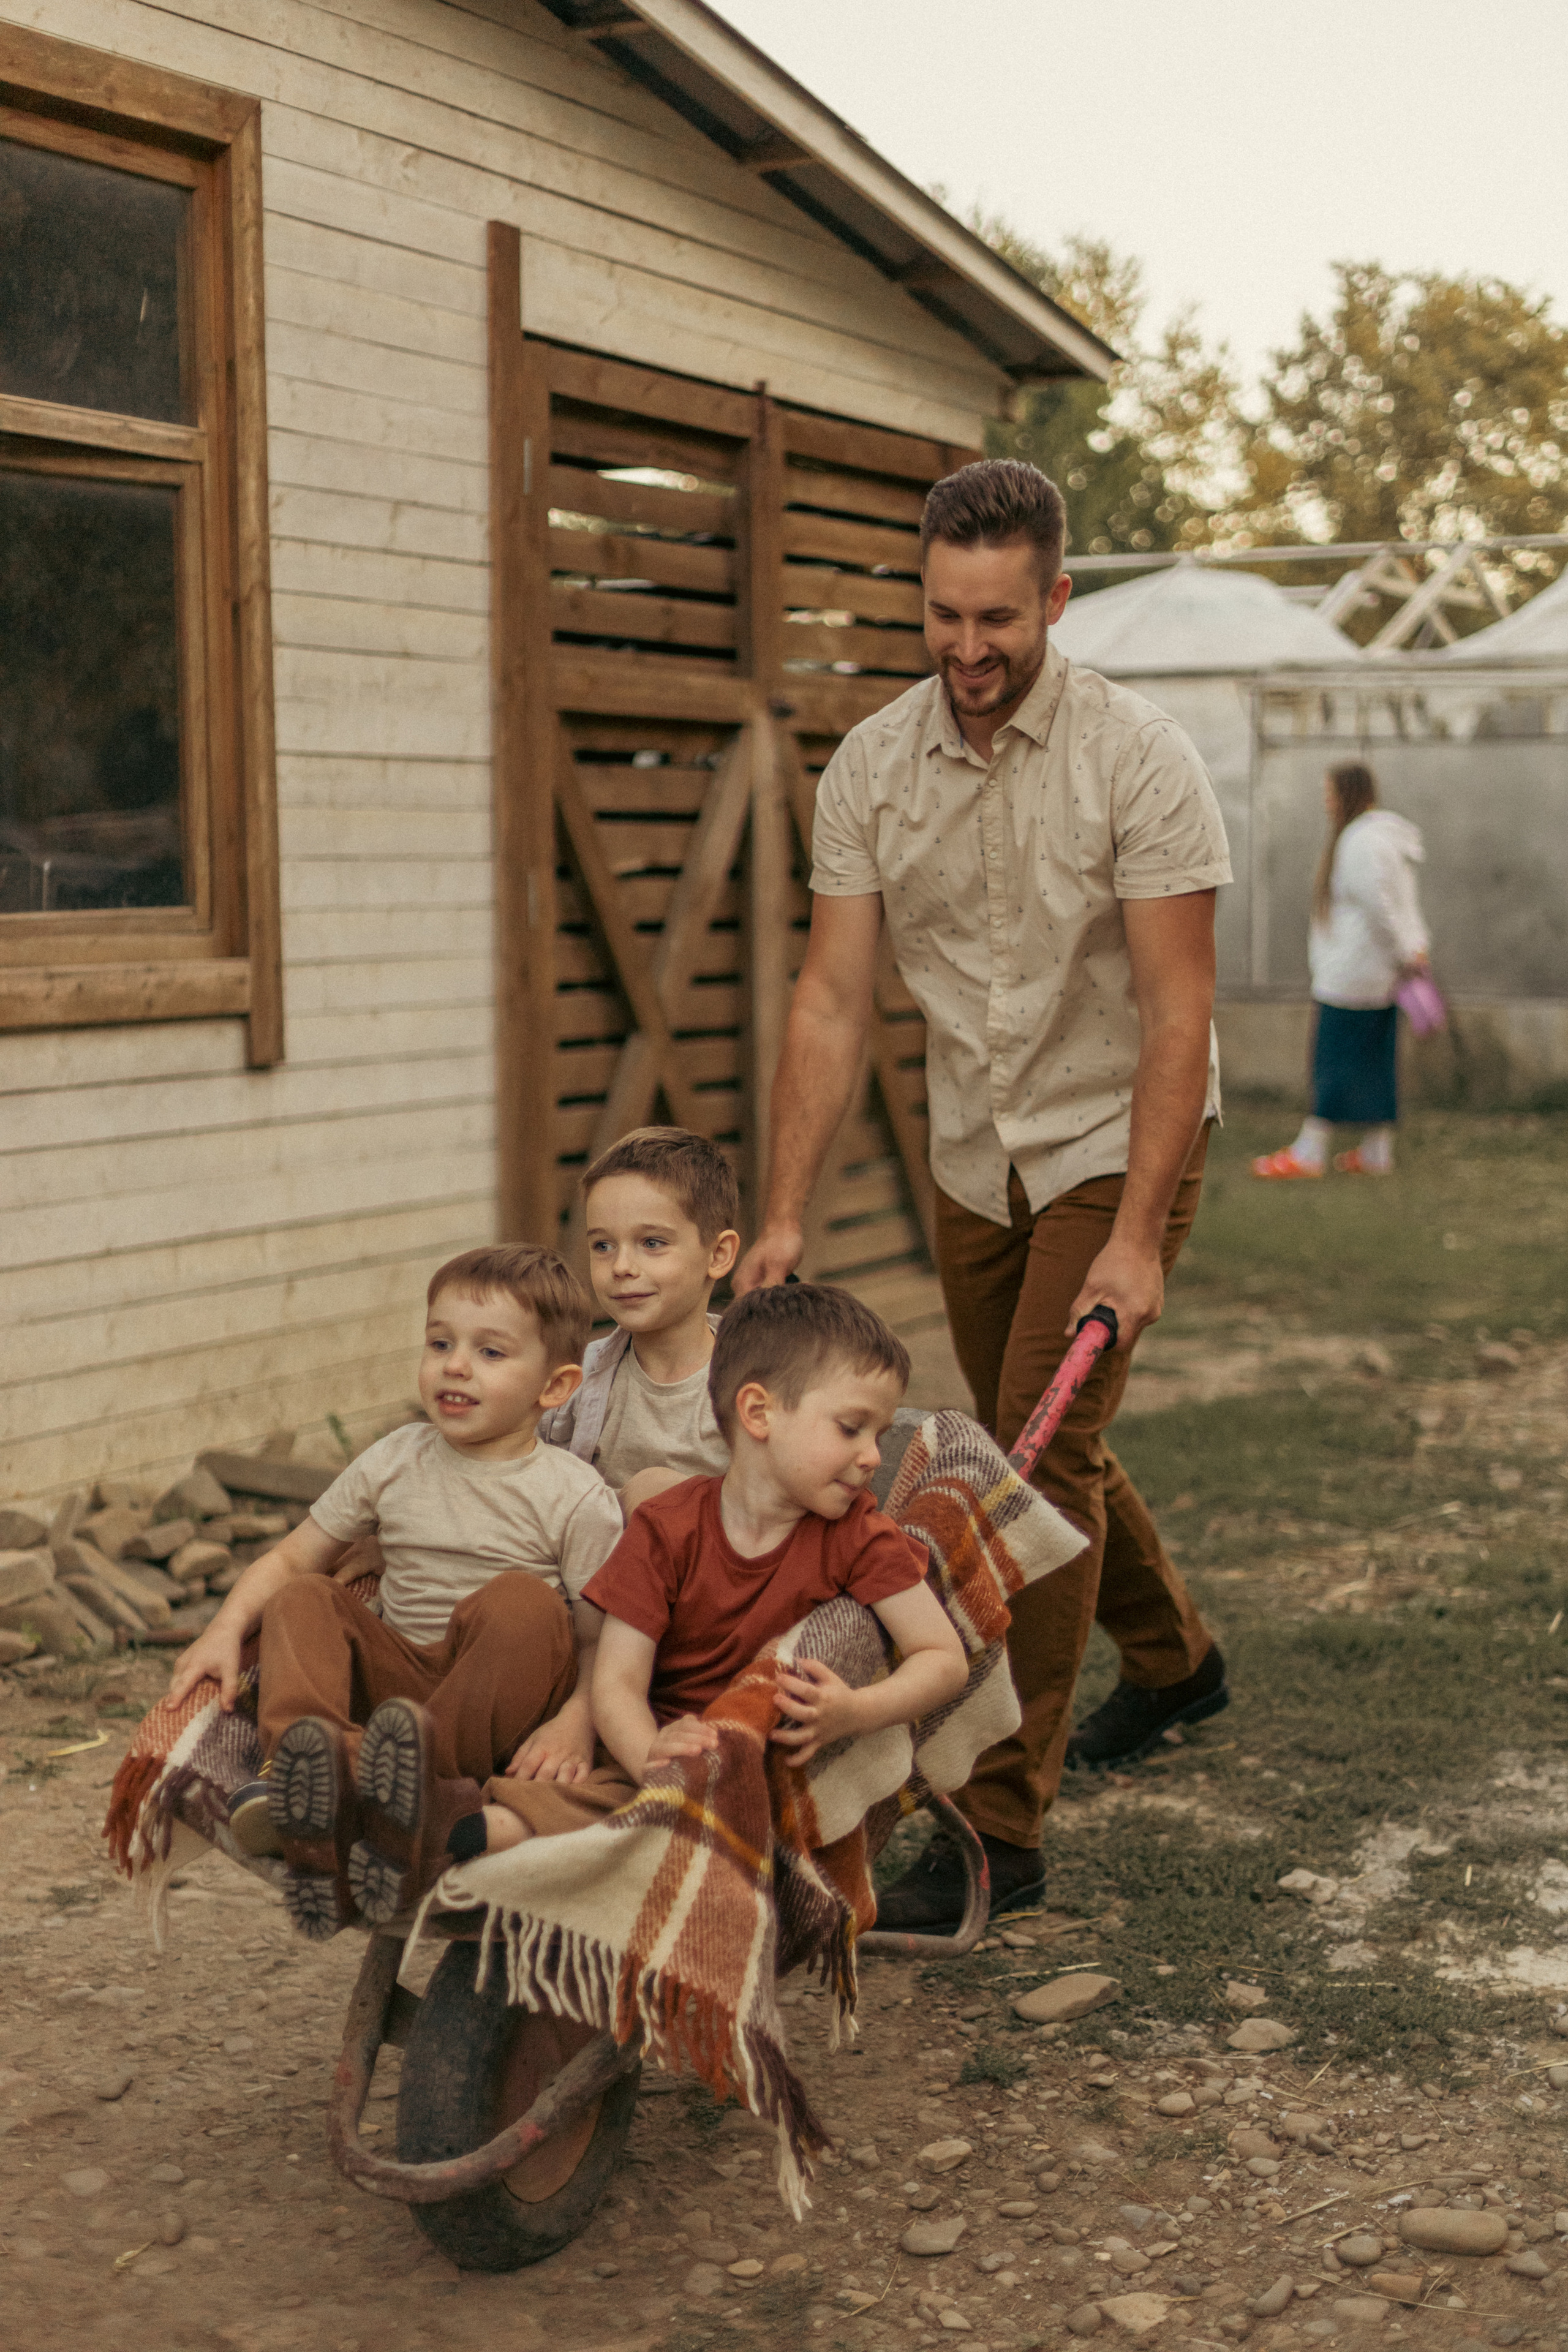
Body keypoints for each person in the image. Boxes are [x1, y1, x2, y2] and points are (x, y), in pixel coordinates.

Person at [733, 457, 1235, 1936]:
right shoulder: (872, 768)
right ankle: (1178, 1663)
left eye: (998, 619)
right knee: (1041, 1429)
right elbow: (829, 1000)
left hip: (1111, 1134)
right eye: (942, 616)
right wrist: (777, 1214)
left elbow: (1173, 1013)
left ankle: (997, 1829)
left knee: (1027, 1459)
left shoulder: (1138, 760)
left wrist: (1135, 1235)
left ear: (1055, 600)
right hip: (975, 1149)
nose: (967, 650)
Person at [173, 1245, 623, 1938]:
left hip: (486, 1708)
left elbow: (602, 1634)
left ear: (556, 1387)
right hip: (393, 1705)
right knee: (305, 1597)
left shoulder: (574, 1495)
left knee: (524, 1606)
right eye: (440, 1342)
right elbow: (294, 1557)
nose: (455, 1365)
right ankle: (306, 1767)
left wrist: (580, 1717)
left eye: (491, 1353)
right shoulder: (396, 1458)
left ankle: (398, 1795)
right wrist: (225, 1628)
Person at [588, 1283, 968, 1791]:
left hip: (767, 1773)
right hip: (655, 1752)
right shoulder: (666, 1527)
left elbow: (943, 1658)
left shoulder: (855, 1535)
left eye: (879, 1435)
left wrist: (857, 1711)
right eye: (852, 1428)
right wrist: (653, 1765)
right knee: (556, 1815)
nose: (874, 1456)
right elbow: (617, 1684)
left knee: (556, 1826)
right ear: (759, 1413)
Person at [541, 1126, 741, 1510]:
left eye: (652, 1243)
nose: (621, 1266)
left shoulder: (753, 1382)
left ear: (718, 1255)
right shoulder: (572, 1380)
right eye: (603, 1245)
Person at [1252, 762, 1430, 1180]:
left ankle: (1310, 1151)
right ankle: (1376, 1152)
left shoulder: (1361, 842)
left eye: (1330, 793)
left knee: (1332, 1061)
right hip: (1379, 975)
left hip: (1353, 975)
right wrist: (1412, 951)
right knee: (1375, 1061)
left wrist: (1405, 952)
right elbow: (1402, 907)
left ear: (1349, 793)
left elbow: (1379, 908)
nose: (1325, 802)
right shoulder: (1385, 840)